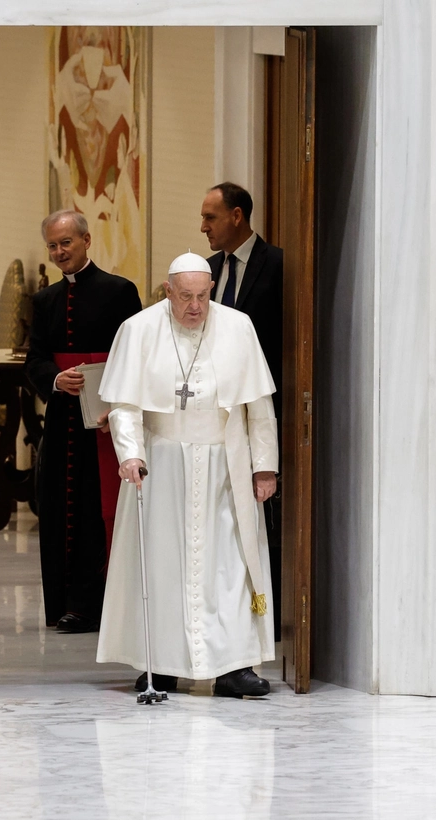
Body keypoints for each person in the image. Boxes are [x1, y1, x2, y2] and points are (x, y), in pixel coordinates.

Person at [97, 251, 279, 698]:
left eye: (202, 296)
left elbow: (259, 409)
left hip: (226, 461)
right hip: (161, 463)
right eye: (185, 297)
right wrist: (130, 454)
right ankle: (159, 663)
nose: (195, 307)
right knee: (162, 563)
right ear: (167, 292)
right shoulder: (137, 330)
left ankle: (234, 666)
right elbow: (125, 405)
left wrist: (265, 466)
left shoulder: (238, 327)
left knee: (230, 565)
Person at [26, 210, 142, 633]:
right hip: (62, 421)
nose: (59, 252)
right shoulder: (44, 301)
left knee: (100, 511)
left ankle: (100, 603)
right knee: (61, 510)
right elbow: (34, 358)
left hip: (106, 421)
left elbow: (134, 354)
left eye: (66, 244)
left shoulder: (119, 291)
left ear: (86, 240)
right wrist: (55, 379)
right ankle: (64, 603)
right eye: (53, 246)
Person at [201, 181, 286, 640]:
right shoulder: (208, 272)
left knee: (263, 512)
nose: (203, 227)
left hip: (263, 405)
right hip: (214, 415)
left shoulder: (278, 265)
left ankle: (265, 615)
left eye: (210, 218)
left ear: (237, 216)